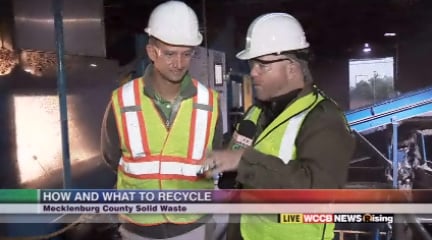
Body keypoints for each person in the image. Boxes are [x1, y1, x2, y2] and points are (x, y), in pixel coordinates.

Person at [202, 13, 356, 240]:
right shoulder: (256, 113)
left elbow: (318, 191)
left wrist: (244, 162)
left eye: (262, 65)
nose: (252, 72)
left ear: (291, 67)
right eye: (252, 63)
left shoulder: (324, 118)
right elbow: (236, 157)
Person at [100, 1, 225, 239]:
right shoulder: (123, 100)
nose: (179, 64)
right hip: (137, 228)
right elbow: (110, 157)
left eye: (186, 54)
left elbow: (214, 156)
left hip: (194, 226)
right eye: (170, 54)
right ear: (151, 52)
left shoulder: (209, 103)